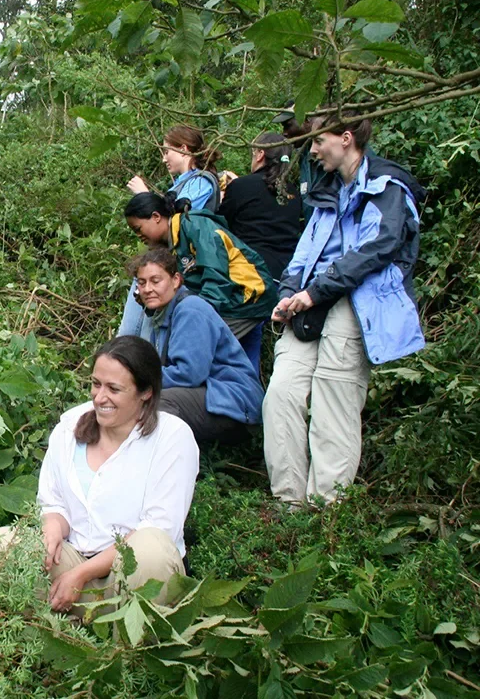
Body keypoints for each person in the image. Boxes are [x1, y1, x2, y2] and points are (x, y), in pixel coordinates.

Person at [262, 111, 426, 506]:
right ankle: (289, 507)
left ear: (346, 138)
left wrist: (315, 292)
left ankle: (326, 512)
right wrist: (288, 291)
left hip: (356, 301)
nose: (313, 150)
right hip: (309, 305)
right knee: (280, 396)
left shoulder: (388, 186)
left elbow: (378, 248)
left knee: (333, 401)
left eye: (319, 141)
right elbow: (304, 252)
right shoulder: (326, 192)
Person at [0, 336, 198, 615]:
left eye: (114, 389)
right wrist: (53, 529)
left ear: (146, 392)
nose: (99, 397)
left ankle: (123, 635)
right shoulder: (70, 426)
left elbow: (159, 528)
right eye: (96, 384)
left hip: (129, 574)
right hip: (73, 558)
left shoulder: (172, 438)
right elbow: (53, 502)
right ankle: (64, 625)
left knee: (151, 549)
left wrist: (81, 574)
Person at [118, 248, 263, 444]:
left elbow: (188, 374)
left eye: (155, 281)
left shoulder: (190, 309)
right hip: (209, 397)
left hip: (233, 401)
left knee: (158, 403)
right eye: (142, 283)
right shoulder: (161, 314)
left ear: (176, 280)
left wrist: (135, 380)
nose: (147, 289)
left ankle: (159, 469)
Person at [120, 191, 278, 343]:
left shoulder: (195, 226)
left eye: (138, 229)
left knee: (194, 344)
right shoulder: (169, 246)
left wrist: (195, 318)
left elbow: (216, 277)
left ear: (156, 217)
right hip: (228, 300)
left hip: (246, 296)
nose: (138, 236)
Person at [218, 132, 302, 282]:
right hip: (287, 274)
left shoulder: (241, 186)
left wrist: (223, 196)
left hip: (250, 272)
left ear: (260, 154)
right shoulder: (294, 193)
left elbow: (221, 225)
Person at [127, 124, 222, 212]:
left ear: (183, 150)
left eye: (167, 152)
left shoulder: (200, 181)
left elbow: (174, 218)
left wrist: (144, 195)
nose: (164, 160)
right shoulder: (184, 183)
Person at [272, 104, 325, 223]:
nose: (284, 133)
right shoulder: (303, 156)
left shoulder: (330, 153)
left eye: (288, 126)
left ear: (307, 120)